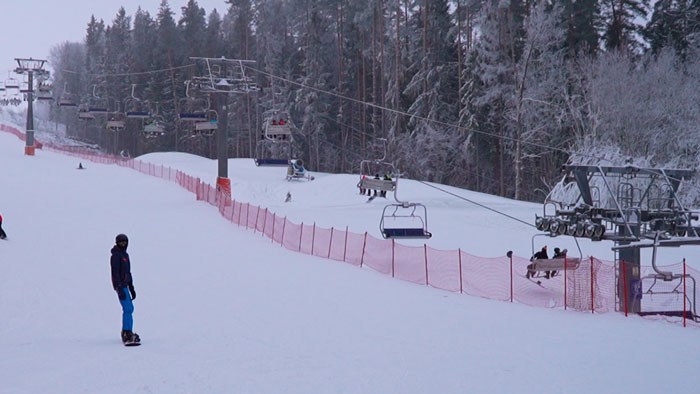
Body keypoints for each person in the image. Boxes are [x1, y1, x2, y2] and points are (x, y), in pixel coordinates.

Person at [110, 234, 140, 345]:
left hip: (125, 285)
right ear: (117, 243)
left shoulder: (125, 255)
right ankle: (126, 333)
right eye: (121, 243)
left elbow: (128, 272)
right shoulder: (116, 256)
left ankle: (128, 331)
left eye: (125, 243)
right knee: (128, 308)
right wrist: (118, 287)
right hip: (120, 286)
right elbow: (115, 272)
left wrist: (131, 287)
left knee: (130, 309)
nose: (123, 245)